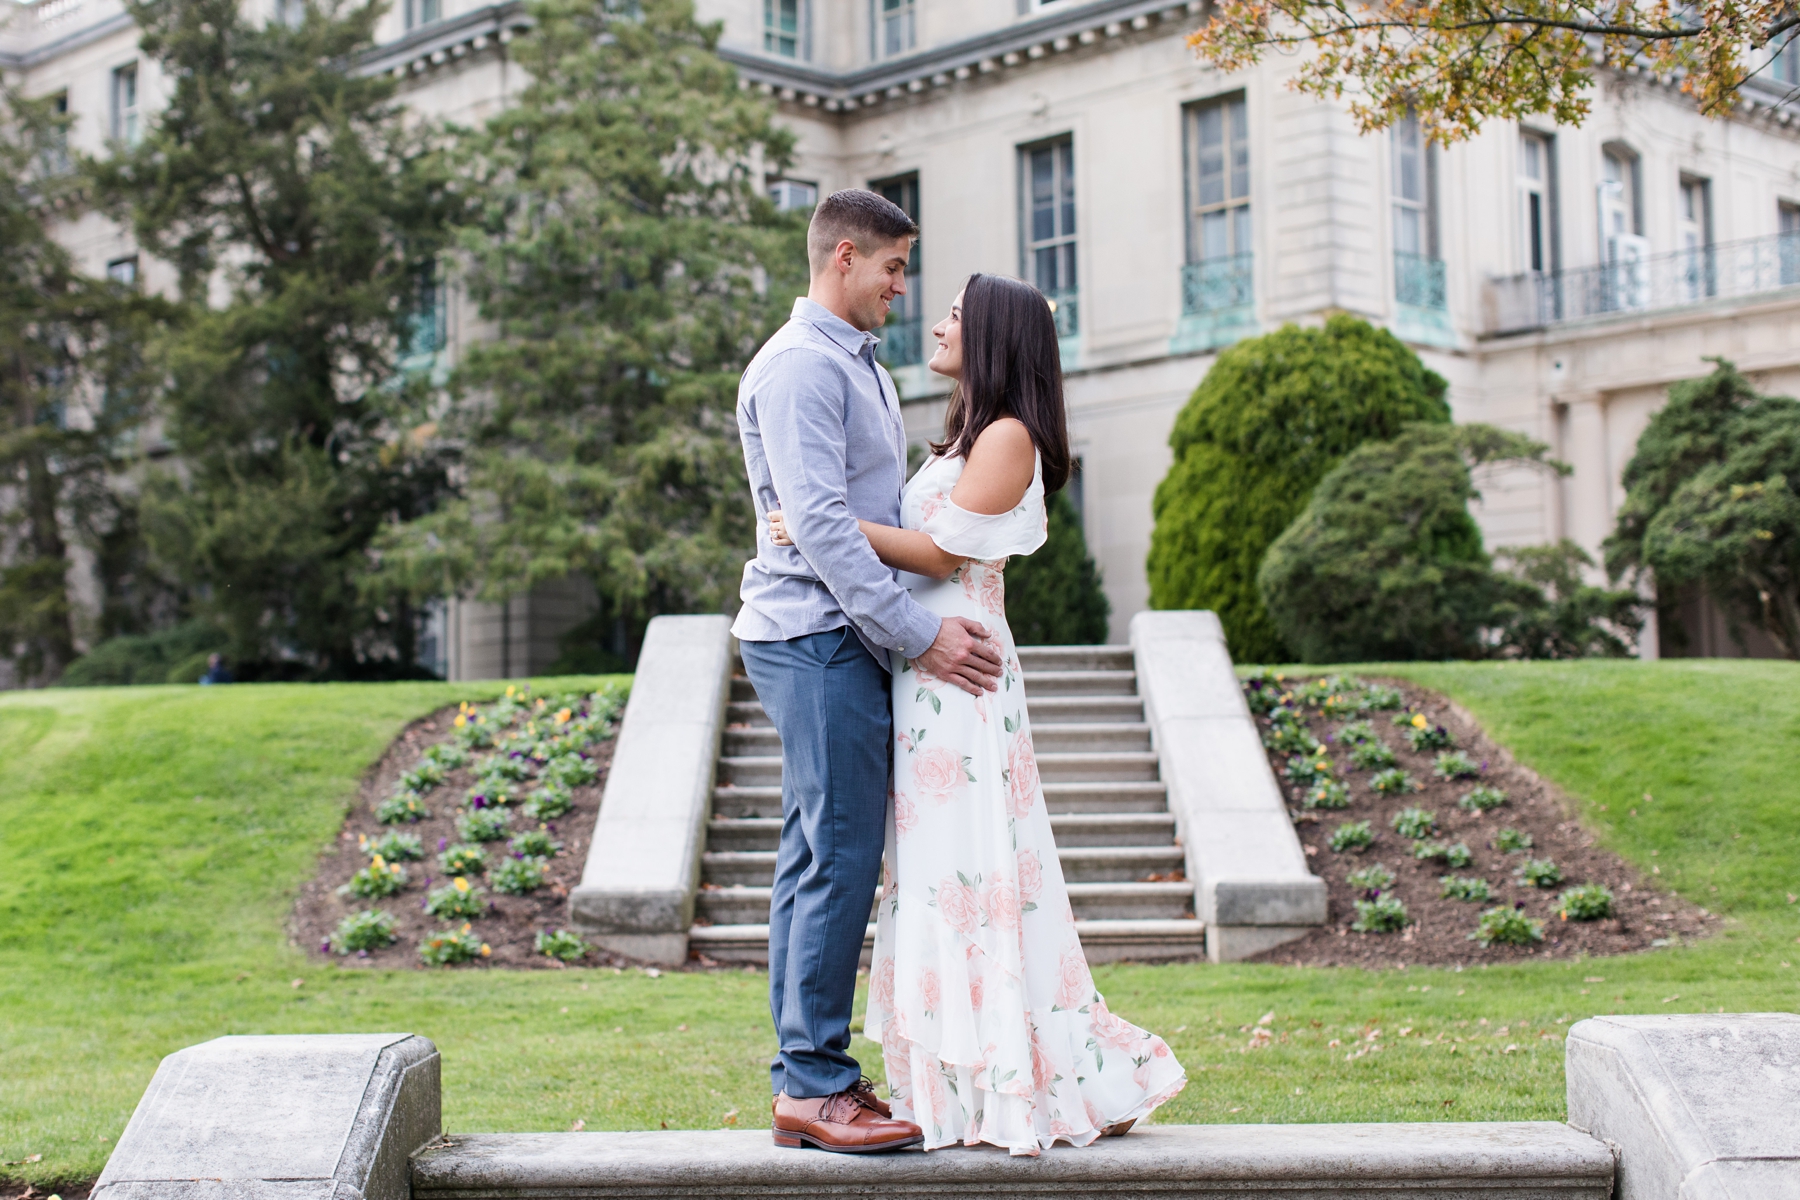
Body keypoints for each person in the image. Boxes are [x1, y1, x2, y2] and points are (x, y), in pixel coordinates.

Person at [766, 273, 1186, 1155]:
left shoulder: (1008, 437)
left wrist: (818, 520)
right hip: (925, 674)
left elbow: (937, 548)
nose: (940, 321)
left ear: (992, 335)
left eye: (959, 313)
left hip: (961, 679)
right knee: (931, 881)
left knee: (972, 879)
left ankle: (1003, 1087)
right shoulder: (965, 433)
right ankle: (945, 1094)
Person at [733, 188, 1005, 1154]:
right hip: (813, 635)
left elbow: (850, 518)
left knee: (816, 855)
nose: (903, 288)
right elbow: (822, 534)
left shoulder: (859, 367)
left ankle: (806, 1080)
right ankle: (815, 1084)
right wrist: (918, 637)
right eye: (892, 268)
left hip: (830, 631)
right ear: (844, 257)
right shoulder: (803, 368)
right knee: (840, 853)